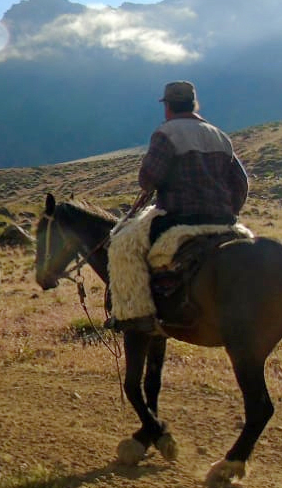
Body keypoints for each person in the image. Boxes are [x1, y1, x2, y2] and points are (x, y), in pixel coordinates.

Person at [106, 81, 249, 335]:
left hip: (179, 218)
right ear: (194, 104)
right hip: (223, 219)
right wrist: (229, 213)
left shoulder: (167, 133)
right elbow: (241, 183)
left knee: (121, 244)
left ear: (168, 107)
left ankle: (135, 316)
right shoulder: (219, 135)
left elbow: (149, 180)